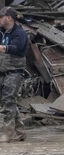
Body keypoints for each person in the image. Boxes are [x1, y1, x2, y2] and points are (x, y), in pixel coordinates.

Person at [0, 7, 28, 143]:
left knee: (8, 101)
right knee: (8, 101)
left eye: (1, 17)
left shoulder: (19, 33)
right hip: (3, 71)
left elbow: (17, 48)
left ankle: (7, 133)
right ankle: (19, 131)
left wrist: (2, 48)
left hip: (15, 72)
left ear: (9, 18)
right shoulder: (3, 33)